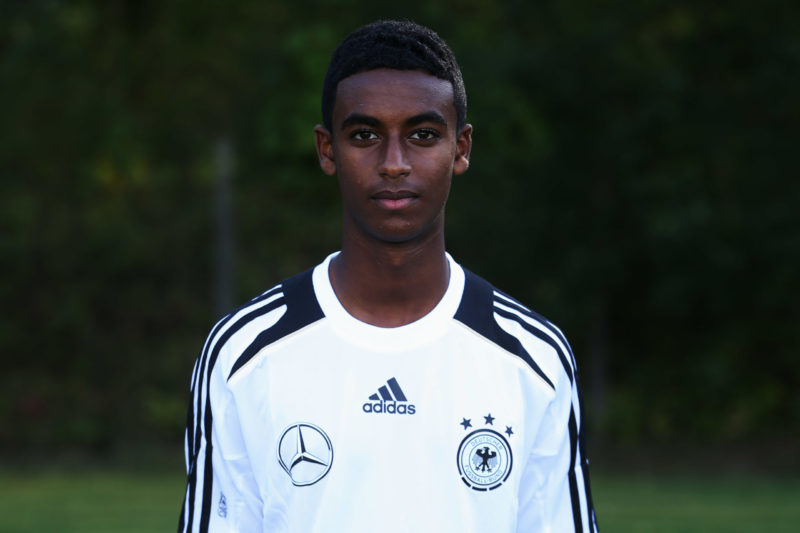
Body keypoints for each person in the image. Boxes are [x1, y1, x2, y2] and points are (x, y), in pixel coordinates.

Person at [179, 19, 598, 533]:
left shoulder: (533, 360)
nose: (394, 163)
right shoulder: (244, 354)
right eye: (365, 135)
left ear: (461, 148)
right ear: (327, 149)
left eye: (422, 135)